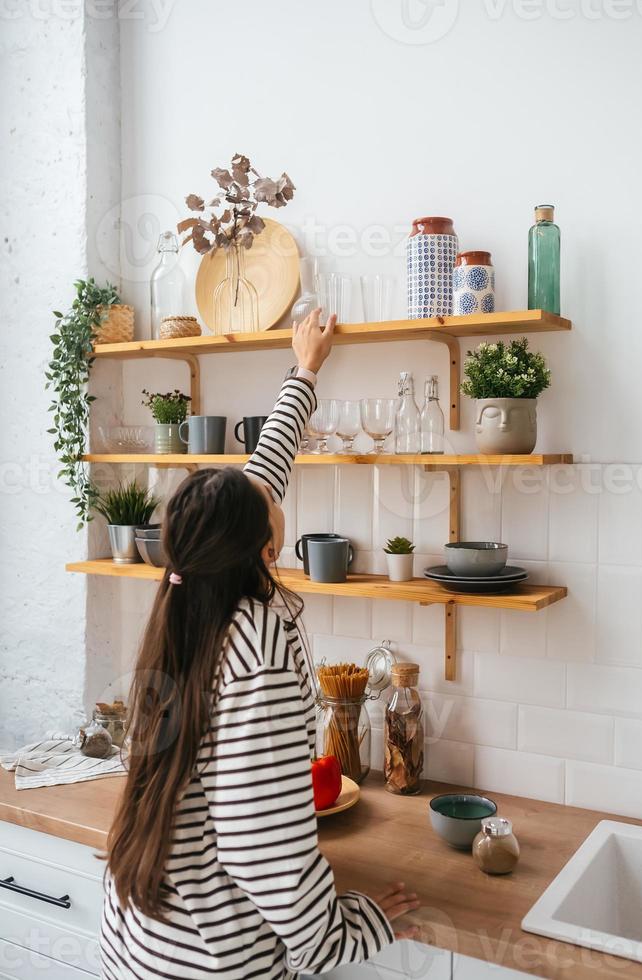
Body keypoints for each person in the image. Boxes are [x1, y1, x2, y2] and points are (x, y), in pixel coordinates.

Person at [101, 309, 420, 980]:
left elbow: (258, 479)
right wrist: (343, 930)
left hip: (141, 942)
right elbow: (259, 844)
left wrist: (305, 370)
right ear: (266, 547)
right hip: (213, 960)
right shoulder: (260, 646)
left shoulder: (185, 598)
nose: (267, 487)